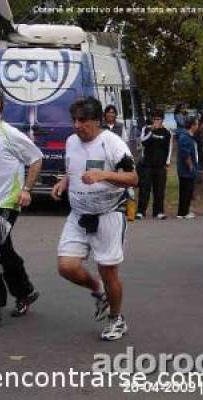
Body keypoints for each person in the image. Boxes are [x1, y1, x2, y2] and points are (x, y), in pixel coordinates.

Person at [52, 96, 138, 341]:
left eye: (82, 120)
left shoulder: (112, 144)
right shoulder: (71, 141)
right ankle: (98, 290)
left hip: (109, 213)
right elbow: (74, 171)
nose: (77, 126)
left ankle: (116, 319)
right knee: (66, 267)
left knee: (108, 271)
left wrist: (103, 174)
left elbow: (133, 178)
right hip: (79, 214)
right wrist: (64, 181)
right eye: (74, 120)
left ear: (96, 120)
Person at [0, 85, 42, 326]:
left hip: (6, 203)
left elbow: (36, 159)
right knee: (3, 250)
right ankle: (25, 292)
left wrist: (26, 190)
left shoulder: (10, 134)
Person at [136, 110, 172, 220]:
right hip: (147, 164)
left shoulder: (167, 132)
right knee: (144, 189)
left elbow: (169, 148)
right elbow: (142, 142)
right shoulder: (146, 129)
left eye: (159, 119)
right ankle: (141, 211)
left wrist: (167, 162)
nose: (156, 121)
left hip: (160, 165)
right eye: (155, 119)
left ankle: (158, 211)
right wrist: (151, 131)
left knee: (159, 189)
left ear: (162, 120)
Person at [177, 116, 199, 219]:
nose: (198, 126)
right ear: (192, 125)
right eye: (197, 124)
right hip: (186, 169)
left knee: (186, 190)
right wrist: (190, 166)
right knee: (186, 190)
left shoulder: (190, 136)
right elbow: (186, 154)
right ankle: (183, 212)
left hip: (188, 168)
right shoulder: (185, 137)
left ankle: (182, 212)